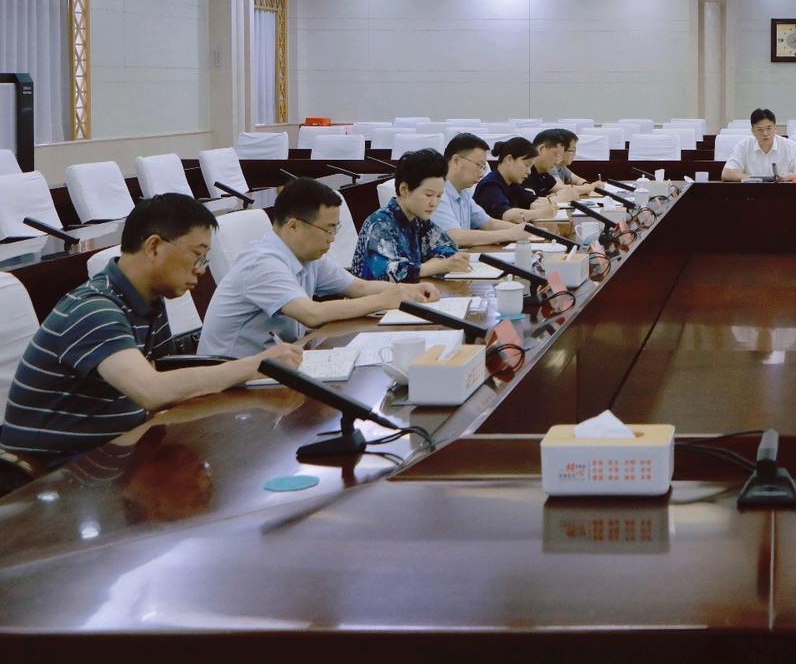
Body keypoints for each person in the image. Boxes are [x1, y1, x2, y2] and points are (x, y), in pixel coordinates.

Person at [0, 194, 302, 472]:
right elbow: (152, 390)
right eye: (197, 255)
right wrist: (257, 364)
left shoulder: (150, 302)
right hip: (50, 475)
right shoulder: (93, 309)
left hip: (117, 452)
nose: (201, 270)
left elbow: (164, 380)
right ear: (154, 247)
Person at [198, 178, 441, 360]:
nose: (332, 238)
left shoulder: (308, 256)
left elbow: (358, 287)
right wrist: (383, 300)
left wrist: (408, 290)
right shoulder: (263, 262)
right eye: (328, 229)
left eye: (336, 228)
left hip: (278, 362)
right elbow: (312, 314)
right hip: (232, 377)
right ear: (293, 226)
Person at [351, 149, 470, 282]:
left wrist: (437, 264)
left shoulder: (419, 221)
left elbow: (448, 247)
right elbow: (387, 273)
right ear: (404, 189)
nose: (434, 203)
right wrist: (437, 266)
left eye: (439, 196)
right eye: (429, 195)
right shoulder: (379, 224)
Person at [432, 133, 535, 247]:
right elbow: (455, 237)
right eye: (479, 165)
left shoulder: (463, 193)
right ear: (456, 161)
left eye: (484, 167)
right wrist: (509, 234)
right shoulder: (436, 193)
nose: (482, 174)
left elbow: (488, 223)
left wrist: (529, 230)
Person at [474, 136, 559, 223]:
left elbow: (533, 200)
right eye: (527, 165)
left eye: (530, 167)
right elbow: (509, 215)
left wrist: (540, 204)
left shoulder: (512, 185)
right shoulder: (489, 186)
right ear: (509, 160)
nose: (529, 172)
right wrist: (541, 213)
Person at [722, 108, 796, 181]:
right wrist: (753, 179)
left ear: (775, 128)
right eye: (760, 129)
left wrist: (786, 177)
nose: (765, 133)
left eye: (769, 128)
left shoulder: (790, 146)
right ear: (753, 131)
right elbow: (726, 173)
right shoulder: (743, 146)